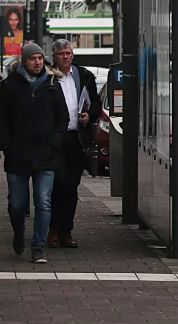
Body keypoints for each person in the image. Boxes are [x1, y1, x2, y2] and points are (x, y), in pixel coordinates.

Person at [0, 43, 68, 264]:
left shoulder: (51, 85)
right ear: (24, 61)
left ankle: (38, 246)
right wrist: (7, 145)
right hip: (18, 155)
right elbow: (2, 120)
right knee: (17, 204)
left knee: (43, 201)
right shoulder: (10, 86)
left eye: (40, 58)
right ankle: (19, 232)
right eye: (33, 59)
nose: (38, 62)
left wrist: (55, 141)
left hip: (46, 154)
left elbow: (63, 118)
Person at [48, 39, 100, 249]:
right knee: (56, 184)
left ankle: (66, 231)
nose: (65, 57)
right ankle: (52, 229)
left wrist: (90, 115)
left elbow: (95, 102)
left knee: (71, 186)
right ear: (54, 56)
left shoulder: (84, 76)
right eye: (61, 53)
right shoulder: (48, 77)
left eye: (68, 53)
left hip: (77, 138)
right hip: (55, 139)